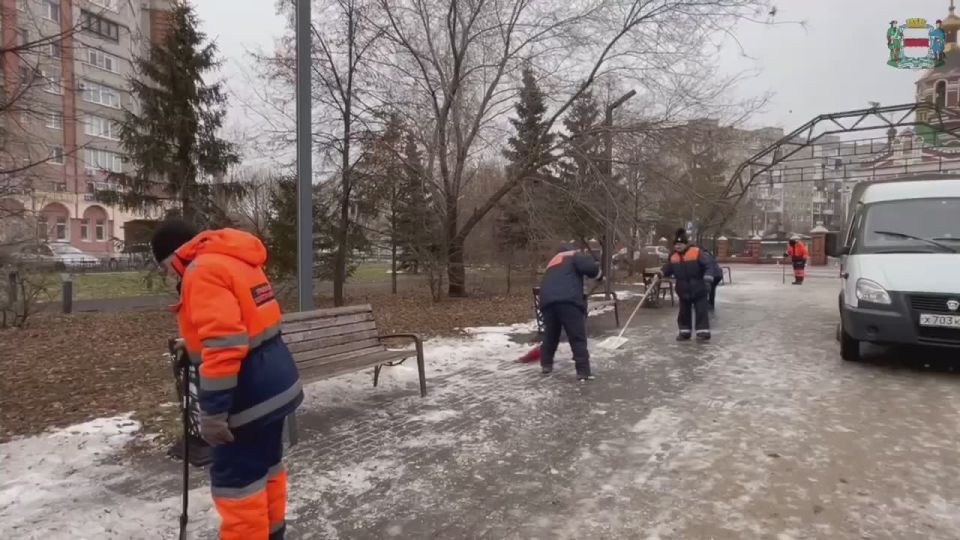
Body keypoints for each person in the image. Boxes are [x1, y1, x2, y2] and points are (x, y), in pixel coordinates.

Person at [152, 219, 303, 540]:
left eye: (164, 267)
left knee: (237, 488)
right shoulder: (235, 259)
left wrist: (214, 414)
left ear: (172, 256)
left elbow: (224, 345)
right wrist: (192, 346)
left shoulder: (200, 271)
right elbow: (246, 322)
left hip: (246, 399)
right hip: (275, 386)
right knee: (267, 471)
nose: (168, 275)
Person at [537, 244, 602, 381]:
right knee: (577, 336)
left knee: (551, 335)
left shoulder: (553, 262)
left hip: (547, 302)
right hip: (568, 301)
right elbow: (590, 268)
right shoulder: (573, 255)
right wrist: (598, 273)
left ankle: (546, 365)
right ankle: (583, 372)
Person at [661, 229, 714, 341]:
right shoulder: (673, 256)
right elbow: (668, 268)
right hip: (682, 289)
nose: (678, 246)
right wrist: (660, 273)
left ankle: (702, 332)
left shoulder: (696, 252)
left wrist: (708, 277)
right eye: (676, 244)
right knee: (684, 312)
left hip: (699, 287)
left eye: (680, 244)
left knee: (701, 311)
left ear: (685, 244)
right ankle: (684, 332)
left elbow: (709, 265)